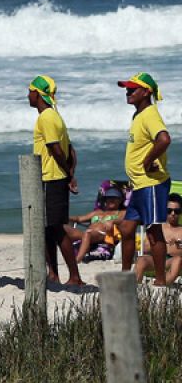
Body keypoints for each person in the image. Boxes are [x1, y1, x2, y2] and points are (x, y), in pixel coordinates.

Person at [114, 72, 171, 285]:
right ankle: (125, 276)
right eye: (127, 89)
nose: (127, 92)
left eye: (132, 89)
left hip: (151, 185)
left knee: (153, 232)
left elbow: (164, 139)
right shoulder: (138, 114)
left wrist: (148, 160)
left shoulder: (149, 114)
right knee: (127, 229)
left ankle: (161, 280)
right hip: (139, 185)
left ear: (146, 92)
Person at [28, 75, 81, 285]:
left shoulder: (47, 117)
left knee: (57, 229)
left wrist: (68, 174)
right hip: (54, 178)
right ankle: (53, 274)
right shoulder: (55, 116)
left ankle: (74, 276)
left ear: (38, 94)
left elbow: (57, 149)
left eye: (30, 90)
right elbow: (72, 151)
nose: (27, 95)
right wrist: (71, 172)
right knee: (48, 229)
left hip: (51, 178)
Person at [69, 187, 125, 263]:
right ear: (105, 200)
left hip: (103, 235)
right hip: (88, 234)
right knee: (64, 229)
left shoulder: (121, 212)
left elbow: (126, 220)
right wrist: (64, 217)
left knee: (88, 234)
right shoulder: (97, 212)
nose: (111, 200)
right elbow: (79, 219)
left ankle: (77, 260)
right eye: (109, 198)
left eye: (115, 198)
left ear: (120, 200)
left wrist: (113, 221)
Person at [135, 194, 182, 284]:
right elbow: (145, 249)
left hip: (173, 260)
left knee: (178, 260)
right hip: (156, 259)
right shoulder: (157, 228)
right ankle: (135, 287)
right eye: (169, 211)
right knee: (141, 260)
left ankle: (161, 286)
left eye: (177, 211)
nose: (173, 214)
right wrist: (160, 242)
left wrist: (178, 243)